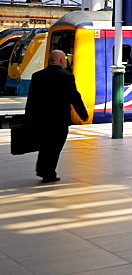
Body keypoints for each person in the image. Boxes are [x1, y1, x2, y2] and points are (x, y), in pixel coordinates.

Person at [25, 50, 88, 183]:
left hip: (41, 119)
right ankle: (48, 173)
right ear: (60, 61)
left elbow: (31, 99)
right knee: (55, 147)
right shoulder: (66, 76)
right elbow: (75, 97)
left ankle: (42, 170)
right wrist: (83, 114)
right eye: (64, 59)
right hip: (59, 119)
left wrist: (28, 118)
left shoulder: (37, 76)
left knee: (44, 144)